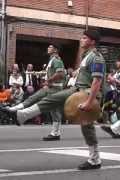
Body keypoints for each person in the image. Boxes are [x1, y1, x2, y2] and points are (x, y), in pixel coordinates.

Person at [2, 30, 105, 170]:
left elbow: (97, 81)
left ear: (92, 41)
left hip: (86, 93)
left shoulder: (96, 57)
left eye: (84, 38)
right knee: (52, 100)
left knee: (87, 126)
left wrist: (89, 102)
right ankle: (22, 115)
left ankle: (95, 159)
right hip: (77, 90)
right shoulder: (86, 56)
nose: (81, 40)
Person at [4, 44, 66, 141]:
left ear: (55, 50)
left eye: (50, 47)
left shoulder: (57, 60)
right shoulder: (51, 60)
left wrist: (49, 80)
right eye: (48, 47)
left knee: (54, 111)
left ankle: (55, 133)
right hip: (49, 87)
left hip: (55, 89)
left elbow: (60, 74)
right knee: (34, 98)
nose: (48, 48)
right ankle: (14, 109)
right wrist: (41, 74)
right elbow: (52, 73)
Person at [100, 58, 120, 138]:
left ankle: (116, 130)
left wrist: (114, 80)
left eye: (119, 61)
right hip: (116, 93)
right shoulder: (117, 73)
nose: (117, 63)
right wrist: (110, 81)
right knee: (118, 113)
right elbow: (114, 83)